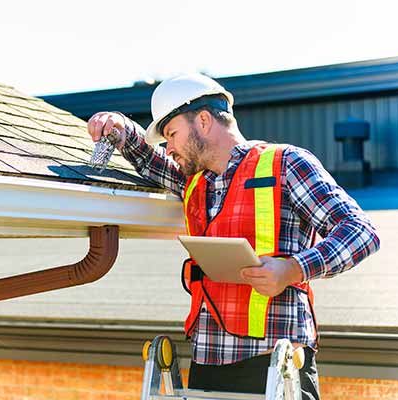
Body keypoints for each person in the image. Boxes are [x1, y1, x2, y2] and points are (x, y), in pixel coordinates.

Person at [86, 74, 380, 399]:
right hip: (208, 359)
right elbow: (146, 157)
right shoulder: (195, 182)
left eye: (171, 134)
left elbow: (360, 232)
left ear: (203, 120)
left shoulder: (287, 164)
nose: (168, 147)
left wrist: (292, 269)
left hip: (275, 361)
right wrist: (118, 127)